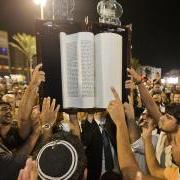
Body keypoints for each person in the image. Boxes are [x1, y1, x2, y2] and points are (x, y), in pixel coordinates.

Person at [0, 64, 45, 180]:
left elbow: (23, 119)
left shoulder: (12, 133)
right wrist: (35, 134)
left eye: (10, 109)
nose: (9, 112)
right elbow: (12, 164)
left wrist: (34, 85)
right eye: (4, 109)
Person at [81, 111, 121, 180]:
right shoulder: (87, 124)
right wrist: (90, 115)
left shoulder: (114, 123)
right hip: (97, 175)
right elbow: (84, 143)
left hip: (118, 173)